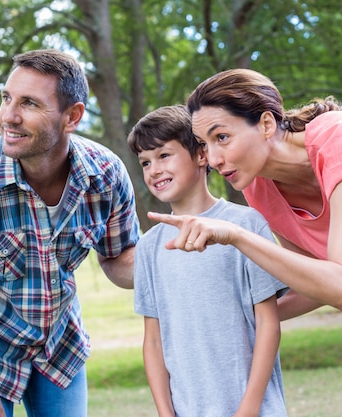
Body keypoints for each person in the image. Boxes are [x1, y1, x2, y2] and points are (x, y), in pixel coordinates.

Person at [148, 68, 342, 417]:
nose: (215, 159)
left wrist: (237, 236)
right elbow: (313, 283)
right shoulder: (260, 187)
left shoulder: (340, 138)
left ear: (266, 124)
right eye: (205, 145)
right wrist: (217, 318)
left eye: (222, 137)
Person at [0, 49, 140, 417]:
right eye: (7, 98)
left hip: (58, 349)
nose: (9, 116)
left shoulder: (105, 174)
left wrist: (166, 257)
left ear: (72, 116)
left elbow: (118, 258)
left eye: (29, 103)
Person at [127, 105, 288, 417]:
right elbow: (154, 342)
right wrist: (165, 412)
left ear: (202, 155)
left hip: (255, 409)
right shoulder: (149, 247)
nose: (154, 170)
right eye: (145, 162)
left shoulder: (247, 226)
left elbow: (268, 323)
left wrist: (249, 409)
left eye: (164, 155)